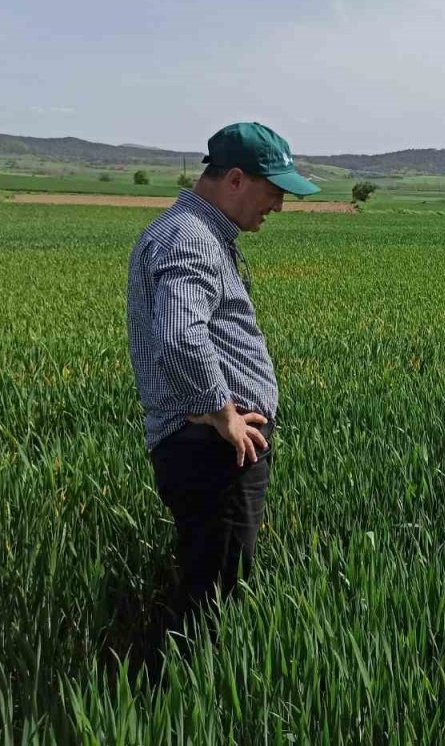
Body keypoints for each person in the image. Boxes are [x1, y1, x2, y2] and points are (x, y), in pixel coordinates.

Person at [126, 121, 319, 636]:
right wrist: (222, 414)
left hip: (210, 441)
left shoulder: (196, 232)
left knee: (211, 579)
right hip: (212, 447)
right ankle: (180, 697)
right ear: (236, 179)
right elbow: (180, 335)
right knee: (213, 595)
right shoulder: (191, 238)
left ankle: (178, 691)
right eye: (274, 191)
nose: (278, 205)